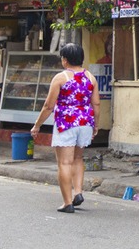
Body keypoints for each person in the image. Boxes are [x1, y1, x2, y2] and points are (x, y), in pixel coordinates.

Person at [31, 42, 101, 213]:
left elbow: (48, 106)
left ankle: (67, 202)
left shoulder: (61, 78)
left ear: (65, 60)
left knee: (64, 162)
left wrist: (37, 125)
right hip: (85, 122)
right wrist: (96, 125)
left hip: (66, 123)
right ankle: (78, 192)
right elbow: (96, 104)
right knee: (78, 158)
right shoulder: (90, 77)